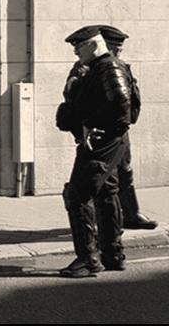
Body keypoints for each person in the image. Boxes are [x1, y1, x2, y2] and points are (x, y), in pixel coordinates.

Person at [57, 25, 131, 277]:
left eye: (79, 46)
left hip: (102, 143)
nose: (76, 51)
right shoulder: (96, 68)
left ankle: (88, 260)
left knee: (76, 195)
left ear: (92, 44)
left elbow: (122, 105)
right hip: (104, 140)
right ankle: (112, 253)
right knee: (107, 192)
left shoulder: (108, 66)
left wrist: (93, 124)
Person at [98, 25, 158, 230]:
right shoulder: (88, 67)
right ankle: (105, 221)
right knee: (101, 176)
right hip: (100, 132)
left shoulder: (121, 66)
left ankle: (131, 214)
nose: (117, 53)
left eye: (119, 49)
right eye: (114, 48)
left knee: (125, 171)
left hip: (120, 129)